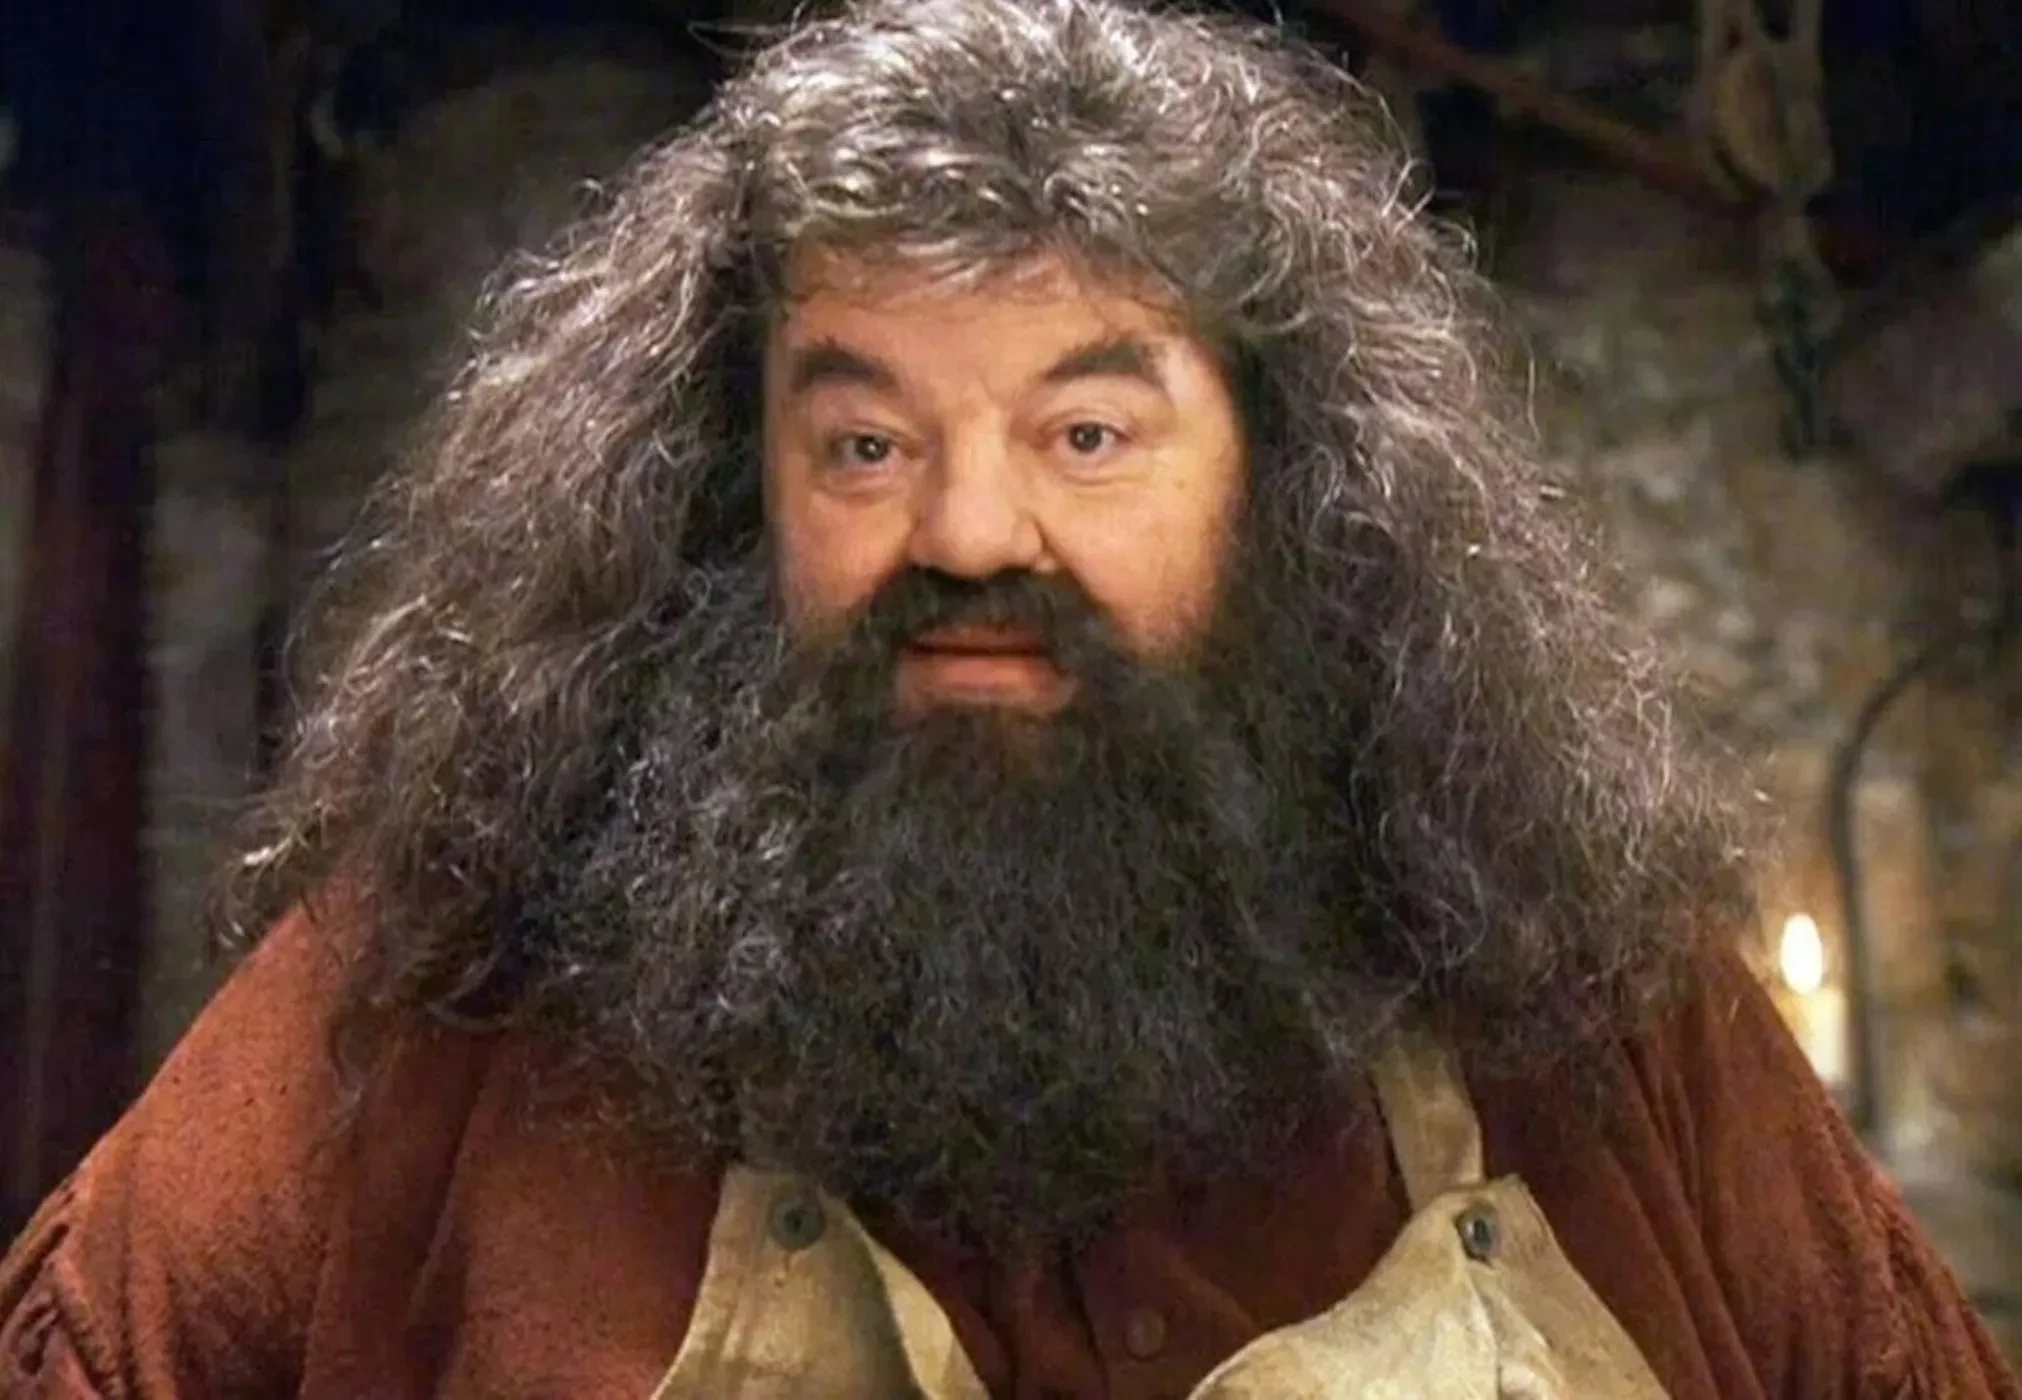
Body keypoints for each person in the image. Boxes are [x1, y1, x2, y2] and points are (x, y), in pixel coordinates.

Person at [3, 0, 2015, 1394]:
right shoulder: (431, 1001)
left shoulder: (1602, 1018)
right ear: (736, 494)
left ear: (1287, 487)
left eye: (1086, 435)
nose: (970, 533)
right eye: (867, 447)